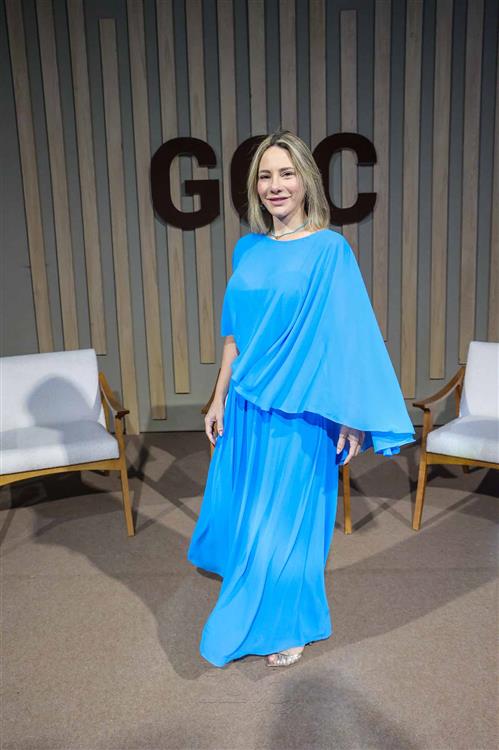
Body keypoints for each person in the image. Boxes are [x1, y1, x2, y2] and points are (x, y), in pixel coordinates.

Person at [187, 129, 415, 668]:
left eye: (286, 174)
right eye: (265, 176)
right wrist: (218, 398)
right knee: (251, 517)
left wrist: (351, 417)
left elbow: (347, 338)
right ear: (255, 186)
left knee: (290, 522)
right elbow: (234, 336)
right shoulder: (248, 248)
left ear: (306, 181)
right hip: (247, 406)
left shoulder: (330, 250)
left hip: (303, 413)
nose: (276, 185)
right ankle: (259, 602)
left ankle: (294, 623)